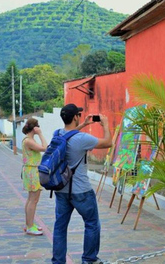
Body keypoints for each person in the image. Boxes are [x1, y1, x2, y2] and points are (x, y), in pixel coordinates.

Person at [52, 104, 112, 264]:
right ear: (75, 117)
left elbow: (69, 135)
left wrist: (83, 124)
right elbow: (107, 143)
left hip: (61, 189)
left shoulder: (56, 134)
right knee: (92, 223)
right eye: (78, 114)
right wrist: (106, 125)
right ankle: (89, 259)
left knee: (60, 227)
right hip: (81, 191)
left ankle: (58, 261)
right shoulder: (82, 139)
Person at [21, 118, 48, 236]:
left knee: (31, 199)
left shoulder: (28, 139)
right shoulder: (29, 141)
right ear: (35, 128)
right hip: (32, 171)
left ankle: (29, 224)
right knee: (34, 199)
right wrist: (41, 134)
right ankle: (30, 226)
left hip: (31, 170)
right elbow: (45, 148)